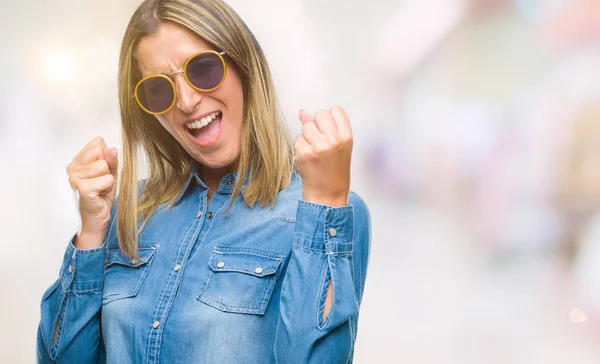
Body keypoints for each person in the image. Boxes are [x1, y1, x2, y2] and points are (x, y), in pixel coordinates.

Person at [36, 0, 371, 363]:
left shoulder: (326, 210)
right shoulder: (128, 211)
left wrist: (325, 203)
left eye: (204, 68)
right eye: (159, 89)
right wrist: (91, 233)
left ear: (244, 64)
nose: (187, 101)